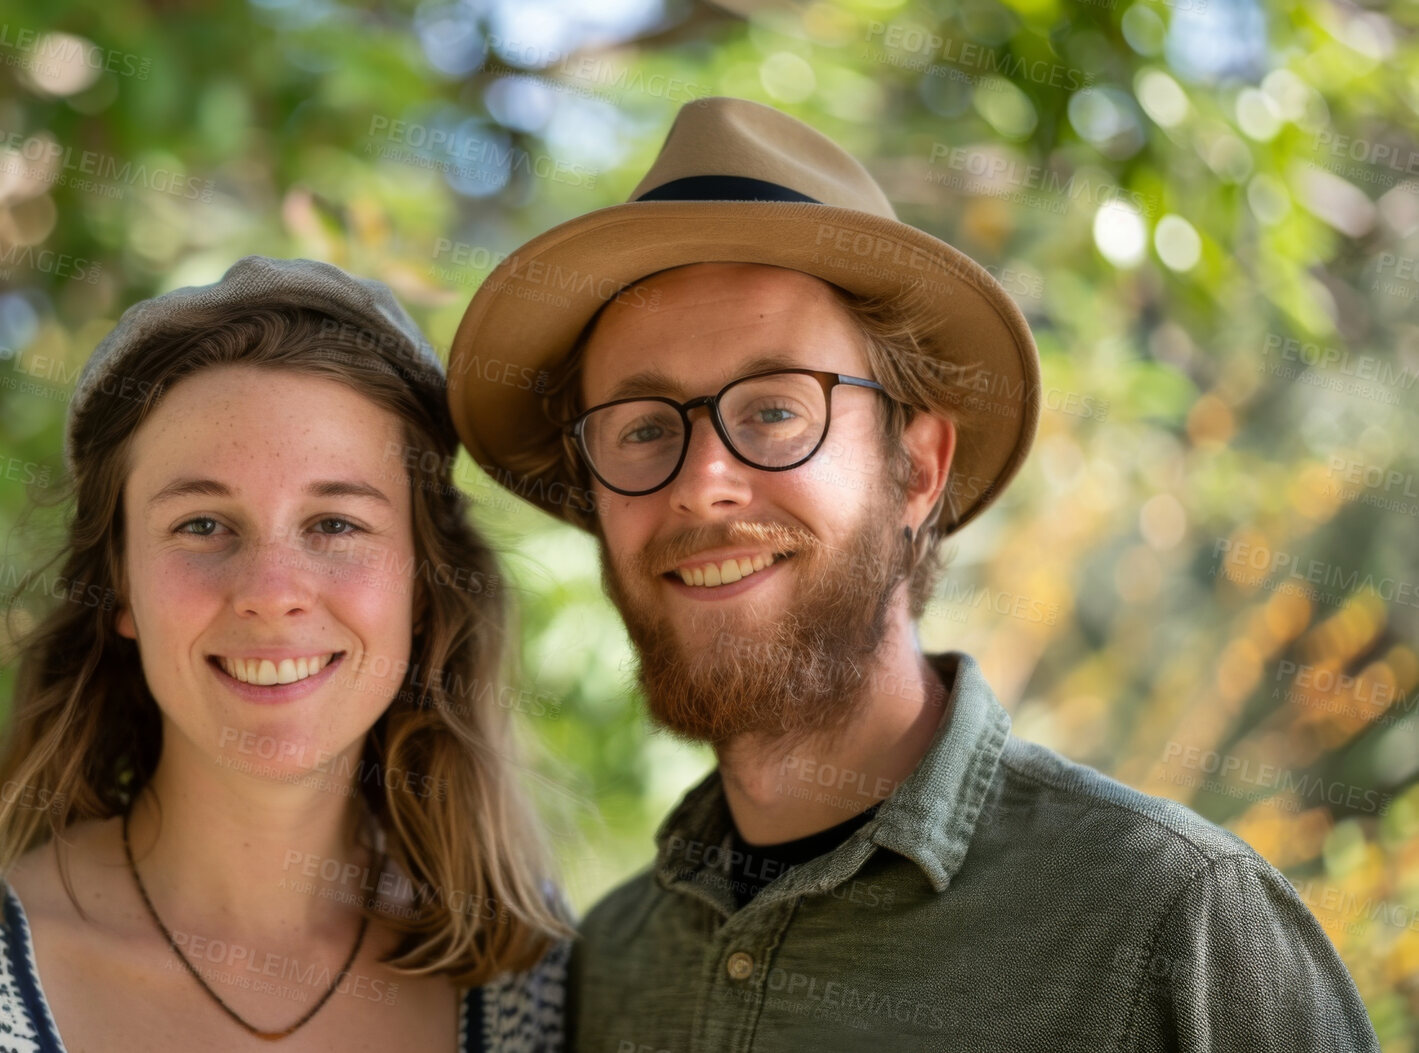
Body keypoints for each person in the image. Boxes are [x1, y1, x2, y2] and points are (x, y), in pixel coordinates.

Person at [445, 96, 1377, 1051]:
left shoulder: (1168, 924)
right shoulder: (605, 967)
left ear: (917, 470)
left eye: (773, 411)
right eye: (642, 428)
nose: (702, 483)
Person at [0, 256, 572, 1052]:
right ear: (121, 587)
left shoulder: (537, 990)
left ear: (423, 582)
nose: (271, 591)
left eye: (336, 524)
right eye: (202, 524)